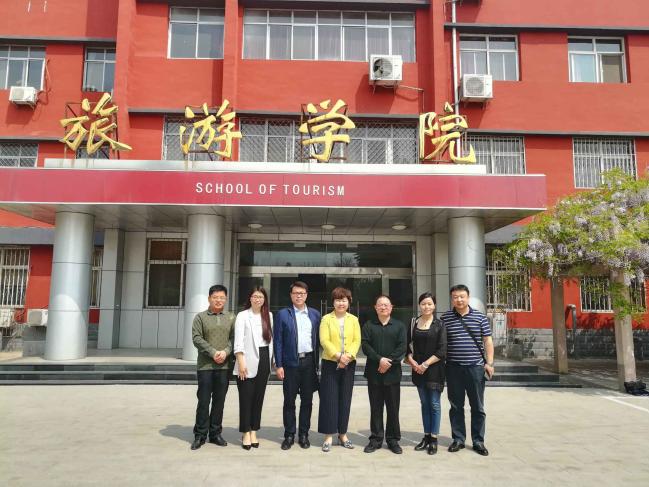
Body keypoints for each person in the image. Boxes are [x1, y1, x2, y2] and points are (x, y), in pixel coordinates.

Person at [441, 284, 494, 457]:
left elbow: (488, 341)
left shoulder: (480, 317)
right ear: (452, 299)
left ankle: (478, 441)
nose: (459, 300)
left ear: (468, 297)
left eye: (462, 296)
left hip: (475, 368)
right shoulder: (445, 318)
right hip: (453, 368)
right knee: (456, 406)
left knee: (477, 406)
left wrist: (489, 363)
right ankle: (458, 439)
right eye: (455, 297)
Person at [273, 281, 321, 450]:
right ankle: (289, 435)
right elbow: (278, 341)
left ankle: (303, 434)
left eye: (302, 293)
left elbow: (319, 339)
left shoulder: (315, 314)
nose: (299, 296)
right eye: (295, 293)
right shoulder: (283, 314)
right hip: (290, 363)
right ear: (291, 295)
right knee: (289, 400)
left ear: (306, 295)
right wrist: (279, 365)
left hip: (309, 362)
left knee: (307, 400)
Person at [190, 284, 235, 450]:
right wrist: (213, 352)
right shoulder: (200, 317)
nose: (218, 300)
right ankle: (200, 435)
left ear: (226, 299)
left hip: (224, 366)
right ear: (209, 298)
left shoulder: (231, 317)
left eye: (222, 297)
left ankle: (215, 433)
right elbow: (196, 338)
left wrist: (226, 352)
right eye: (215, 297)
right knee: (203, 401)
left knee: (219, 401)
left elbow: (234, 338)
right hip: (205, 366)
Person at [361, 294, 407, 454]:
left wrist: (388, 362)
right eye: (380, 304)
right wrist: (379, 359)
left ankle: (393, 440)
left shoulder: (399, 326)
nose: (383, 307)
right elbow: (365, 346)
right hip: (374, 374)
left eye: (386, 304)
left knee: (393, 408)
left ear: (391, 307)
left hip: (392, 374)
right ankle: (376, 439)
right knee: (376, 408)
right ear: (375, 307)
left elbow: (402, 347)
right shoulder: (369, 325)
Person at [317, 287, 361, 452]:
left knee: (345, 399)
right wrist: (338, 357)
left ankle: (343, 434)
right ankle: (328, 435)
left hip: (349, 363)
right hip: (330, 363)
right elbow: (324, 340)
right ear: (333, 302)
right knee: (329, 399)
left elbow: (357, 340)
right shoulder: (326, 319)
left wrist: (347, 357)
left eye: (344, 300)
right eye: (338, 300)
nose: (341, 303)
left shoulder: (354, 320)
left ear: (349, 302)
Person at [405, 292, 447, 455]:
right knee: (424, 403)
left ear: (434, 306)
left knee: (434, 404)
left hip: (434, 369)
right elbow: (408, 347)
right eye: (423, 304)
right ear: (419, 305)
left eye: (429, 304)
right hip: (418, 370)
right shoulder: (413, 323)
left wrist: (425, 364)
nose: (426, 306)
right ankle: (426, 436)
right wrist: (412, 361)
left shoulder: (440, 324)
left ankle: (434, 439)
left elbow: (442, 350)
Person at [233, 286, 273, 450]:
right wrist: (241, 362)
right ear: (250, 298)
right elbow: (238, 341)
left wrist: (273, 362)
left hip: (264, 359)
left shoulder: (269, 315)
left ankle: (254, 430)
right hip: (246, 360)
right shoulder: (242, 316)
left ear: (264, 300)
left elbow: (271, 340)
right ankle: (245, 432)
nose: (258, 299)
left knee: (258, 398)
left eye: (261, 297)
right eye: (255, 296)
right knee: (246, 398)